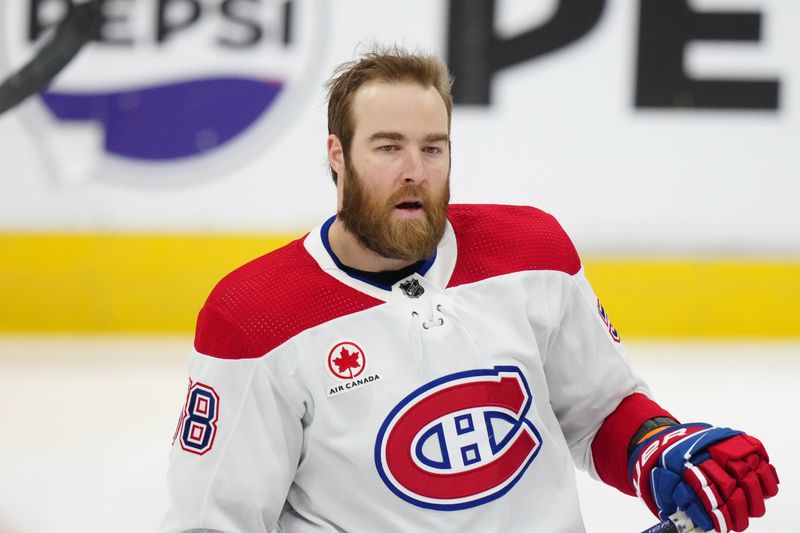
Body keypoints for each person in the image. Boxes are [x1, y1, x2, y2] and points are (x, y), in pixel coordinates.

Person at [160, 47, 779, 533]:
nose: (415, 170)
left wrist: (660, 451)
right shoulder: (257, 318)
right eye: (387, 147)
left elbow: (599, 411)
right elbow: (213, 523)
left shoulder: (531, 253)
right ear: (336, 156)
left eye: (433, 147)